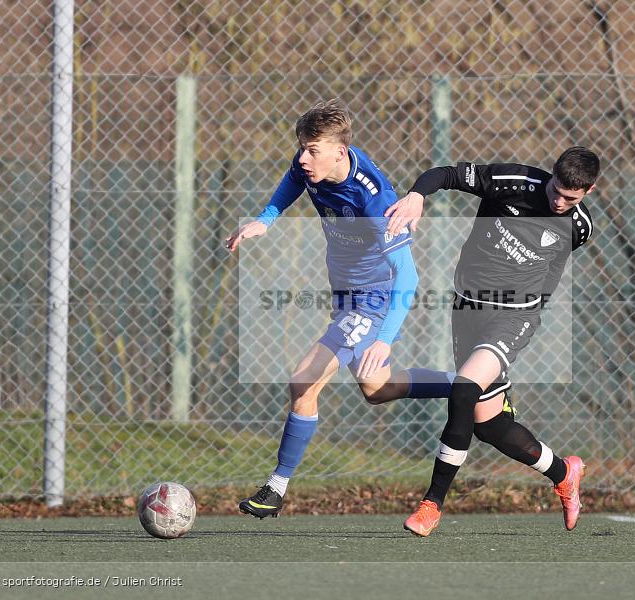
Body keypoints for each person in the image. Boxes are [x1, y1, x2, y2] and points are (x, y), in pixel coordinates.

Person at [225, 100, 457, 519]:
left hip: (372, 301)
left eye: (312, 150)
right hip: (346, 295)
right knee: (377, 389)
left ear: (340, 152)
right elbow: (292, 181)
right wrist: (265, 219)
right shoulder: (311, 164)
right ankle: (470, 386)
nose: (302, 158)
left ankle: (276, 488)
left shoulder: (375, 202)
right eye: (302, 148)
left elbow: (408, 278)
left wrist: (384, 339)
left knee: (303, 381)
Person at [384, 146, 600, 536]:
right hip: (468, 308)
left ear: (588, 191)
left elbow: (553, 270)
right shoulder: (512, 182)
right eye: (556, 190)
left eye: (570, 198)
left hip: (514, 317)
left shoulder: (579, 227)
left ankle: (432, 504)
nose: (559, 201)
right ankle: (564, 473)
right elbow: (447, 174)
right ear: (551, 174)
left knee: (463, 391)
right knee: (488, 424)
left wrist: (532, 309)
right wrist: (416, 195)